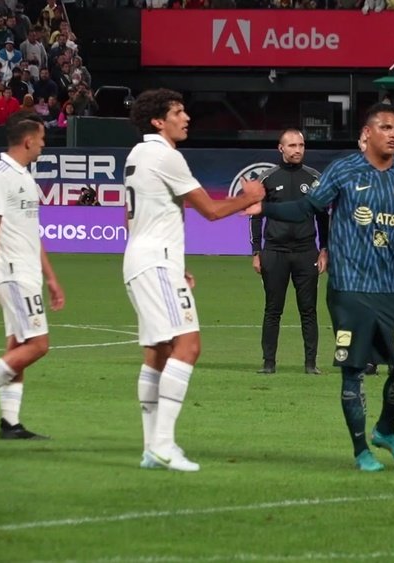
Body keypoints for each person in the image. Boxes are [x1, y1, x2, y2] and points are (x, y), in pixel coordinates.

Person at [248, 103, 394, 472]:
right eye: (385, 126)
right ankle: (360, 450)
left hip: (389, 288)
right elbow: (306, 207)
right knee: (354, 369)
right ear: (367, 133)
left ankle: (385, 430)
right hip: (348, 287)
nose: (393, 134)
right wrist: (265, 209)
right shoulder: (343, 170)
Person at [123, 89, 265, 472]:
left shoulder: (137, 154)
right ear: (158, 121)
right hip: (156, 263)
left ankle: (151, 446)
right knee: (189, 346)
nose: (186, 118)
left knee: (158, 352)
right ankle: (164, 445)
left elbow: (133, 216)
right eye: (178, 112)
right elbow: (213, 211)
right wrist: (249, 197)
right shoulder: (166, 156)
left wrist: (173, 261)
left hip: (141, 258)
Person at [0, 113, 64, 441]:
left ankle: (10, 424)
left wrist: (51, 277)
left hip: (28, 271)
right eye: (42, 138)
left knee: (18, 344)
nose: (44, 144)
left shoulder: (26, 179)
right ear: (28, 140)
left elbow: (32, 232)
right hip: (13, 273)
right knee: (38, 345)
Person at [250, 128, 329, 375]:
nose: (298, 150)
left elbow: (324, 218)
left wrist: (324, 249)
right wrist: (256, 250)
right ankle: (269, 363)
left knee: (309, 310)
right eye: (292, 145)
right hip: (275, 252)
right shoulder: (267, 178)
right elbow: (256, 216)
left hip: (307, 252)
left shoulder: (315, 178)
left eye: (301, 145)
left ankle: (310, 364)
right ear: (281, 148)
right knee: (273, 309)